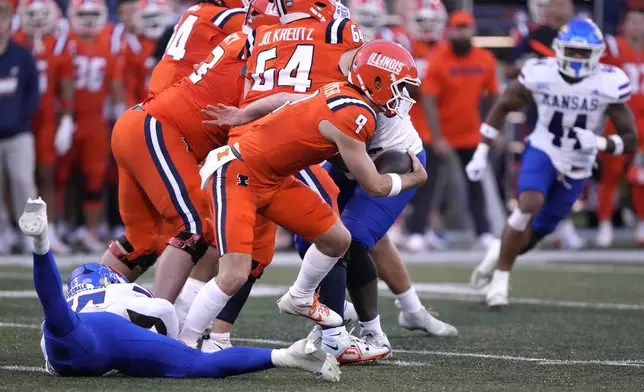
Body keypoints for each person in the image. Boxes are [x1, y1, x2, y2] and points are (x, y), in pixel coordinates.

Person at [180, 40, 427, 350]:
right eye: (399, 86)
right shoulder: (356, 116)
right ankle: (185, 343)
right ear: (376, 80)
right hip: (238, 176)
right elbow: (374, 186)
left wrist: (244, 115)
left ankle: (300, 296)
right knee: (234, 274)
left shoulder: (341, 92)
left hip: (274, 180)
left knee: (337, 239)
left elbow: (282, 98)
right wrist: (414, 178)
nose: (403, 95)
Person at [18, 197, 341, 381]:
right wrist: (173, 341)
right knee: (196, 364)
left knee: (55, 312)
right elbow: (162, 310)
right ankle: (285, 356)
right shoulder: (118, 291)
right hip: (113, 336)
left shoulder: (94, 292)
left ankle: (41, 243)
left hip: (85, 339)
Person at [466, 18, 638, 307]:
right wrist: (481, 151)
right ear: (558, 49)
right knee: (528, 204)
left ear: (597, 55)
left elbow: (629, 138)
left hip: (580, 162)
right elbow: (504, 105)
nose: (577, 58)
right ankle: (500, 282)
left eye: (584, 53)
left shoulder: (609, 82)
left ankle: (498, 253)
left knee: (537, 233)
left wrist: (599, 143)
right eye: (572, 51)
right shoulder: (541, 73)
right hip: (544, 148)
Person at [421, 10, 498, 248]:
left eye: (465, 27)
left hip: (470, 133)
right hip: (438, 133)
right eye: (457, 27)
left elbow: (495, 96)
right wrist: (437, 137)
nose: (461, 32)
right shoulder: (439, 58)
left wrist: (494, 129)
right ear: (449, 30)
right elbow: (429, 100)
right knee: (427, 183)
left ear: (472, 30)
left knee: (475, 184)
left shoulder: (484, 59)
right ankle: (418, 231)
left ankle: (482, 232)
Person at [56, 0, 126, 253]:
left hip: (95, 119)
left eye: (93, 13)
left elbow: (115, 81)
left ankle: (90, 230)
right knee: (60, 175)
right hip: (66, 117)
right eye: (82, 13)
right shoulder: (64, 39)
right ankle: (60, 225)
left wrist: (120, 115)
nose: (87, 19)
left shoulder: (109, 40)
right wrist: (62, 117)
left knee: (95, 176)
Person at [12, 0, 72, 254]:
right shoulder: (13, 41)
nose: (37, 19)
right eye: (31, 14)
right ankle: (13, 230)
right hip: (18, 115)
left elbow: (66, 84)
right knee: (15, 176)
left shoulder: (59, 43)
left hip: (47, 116)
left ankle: (51, 227)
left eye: (42, 14)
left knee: (47, 173)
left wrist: (67, 118)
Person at [400, 0, 448, 252]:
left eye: (432, 20)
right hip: (407, 126)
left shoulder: (445, 49)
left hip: (436, 127)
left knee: (432, 182)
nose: (427, 26)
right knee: (404, 179)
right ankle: (409, 228)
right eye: (422, 21)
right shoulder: (403, 45)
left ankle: (426, 228)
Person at [596, 8, 644, 247]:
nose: (637, 27)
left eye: (640, 23)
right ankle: (604, 223)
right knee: (611, 174)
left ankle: (641, 224)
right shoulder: (613, 47)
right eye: (632, 22)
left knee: (641, 178)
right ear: (624, 25)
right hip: (618, 121)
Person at [0, 0, 40, 254]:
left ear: (9, 23)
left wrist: (18, 119)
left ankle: (32, 233)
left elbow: (32, 94)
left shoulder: (22, 55)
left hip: (19, 133)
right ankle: (2, 234)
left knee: (24, 182)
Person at [147, 0, 246, 97]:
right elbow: (260, 32)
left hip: (160, 86)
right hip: (182, 91)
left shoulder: (193, 10)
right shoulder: (224, 15)